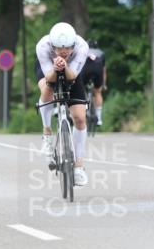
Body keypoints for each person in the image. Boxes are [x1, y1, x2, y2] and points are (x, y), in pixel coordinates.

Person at [35, 22, 90, 186]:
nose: (63, 52)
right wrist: (56, 67)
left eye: (67, 49)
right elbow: (49, 78)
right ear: (52, 46)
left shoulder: (82, 47)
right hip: (49, 70)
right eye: (58, 49)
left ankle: (78, 167)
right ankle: (47, 133)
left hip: (72, 71)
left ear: (74, 45)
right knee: (47, 90)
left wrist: (65, 65)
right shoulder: (43, 46)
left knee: (80, 118)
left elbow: (72, 76)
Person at [81, 40, 107, 127]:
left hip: (86, 69)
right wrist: (103, 84)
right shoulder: (101, 53)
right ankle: (99, 118)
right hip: (98, 69)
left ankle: (83, 110)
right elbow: (103, 70)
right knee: (98, 92)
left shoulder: (83, 51)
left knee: (81, 89)